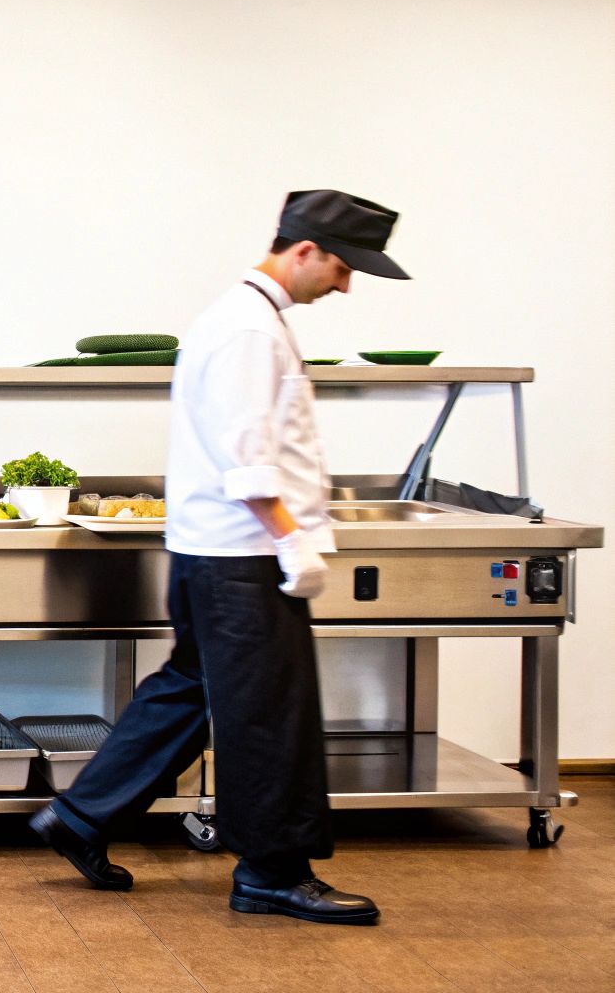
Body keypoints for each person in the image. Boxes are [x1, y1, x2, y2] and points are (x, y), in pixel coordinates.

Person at [30, 189, 410, 925]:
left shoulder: (248, 320)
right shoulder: (246, 330)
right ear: (304, 250)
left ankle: (80, 816)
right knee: (269, 712)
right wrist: (291, 539)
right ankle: (271, 873)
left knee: (190, 688)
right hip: (245, 554)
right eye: (341, 267)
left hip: (214, 551)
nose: (345, 285)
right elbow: (248, 457)